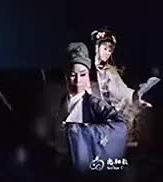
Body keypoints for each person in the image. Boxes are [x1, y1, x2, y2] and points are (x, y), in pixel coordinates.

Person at [48, 42, 128, 173]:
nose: (78, 80)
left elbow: (121, 126)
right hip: (58, 165)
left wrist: (79, 130)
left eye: (83, 74)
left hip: (79, 166)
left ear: (88, 75)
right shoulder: (61, 101)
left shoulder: (94, 104)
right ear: (66, 75)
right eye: (72, 75)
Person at [90, 28, 159, 145]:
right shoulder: (86, 69)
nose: (107, 52)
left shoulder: (111, 71)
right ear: (97, 47)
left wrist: (136, 98)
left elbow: (122, 90)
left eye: (110, 50)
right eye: (104, 48)